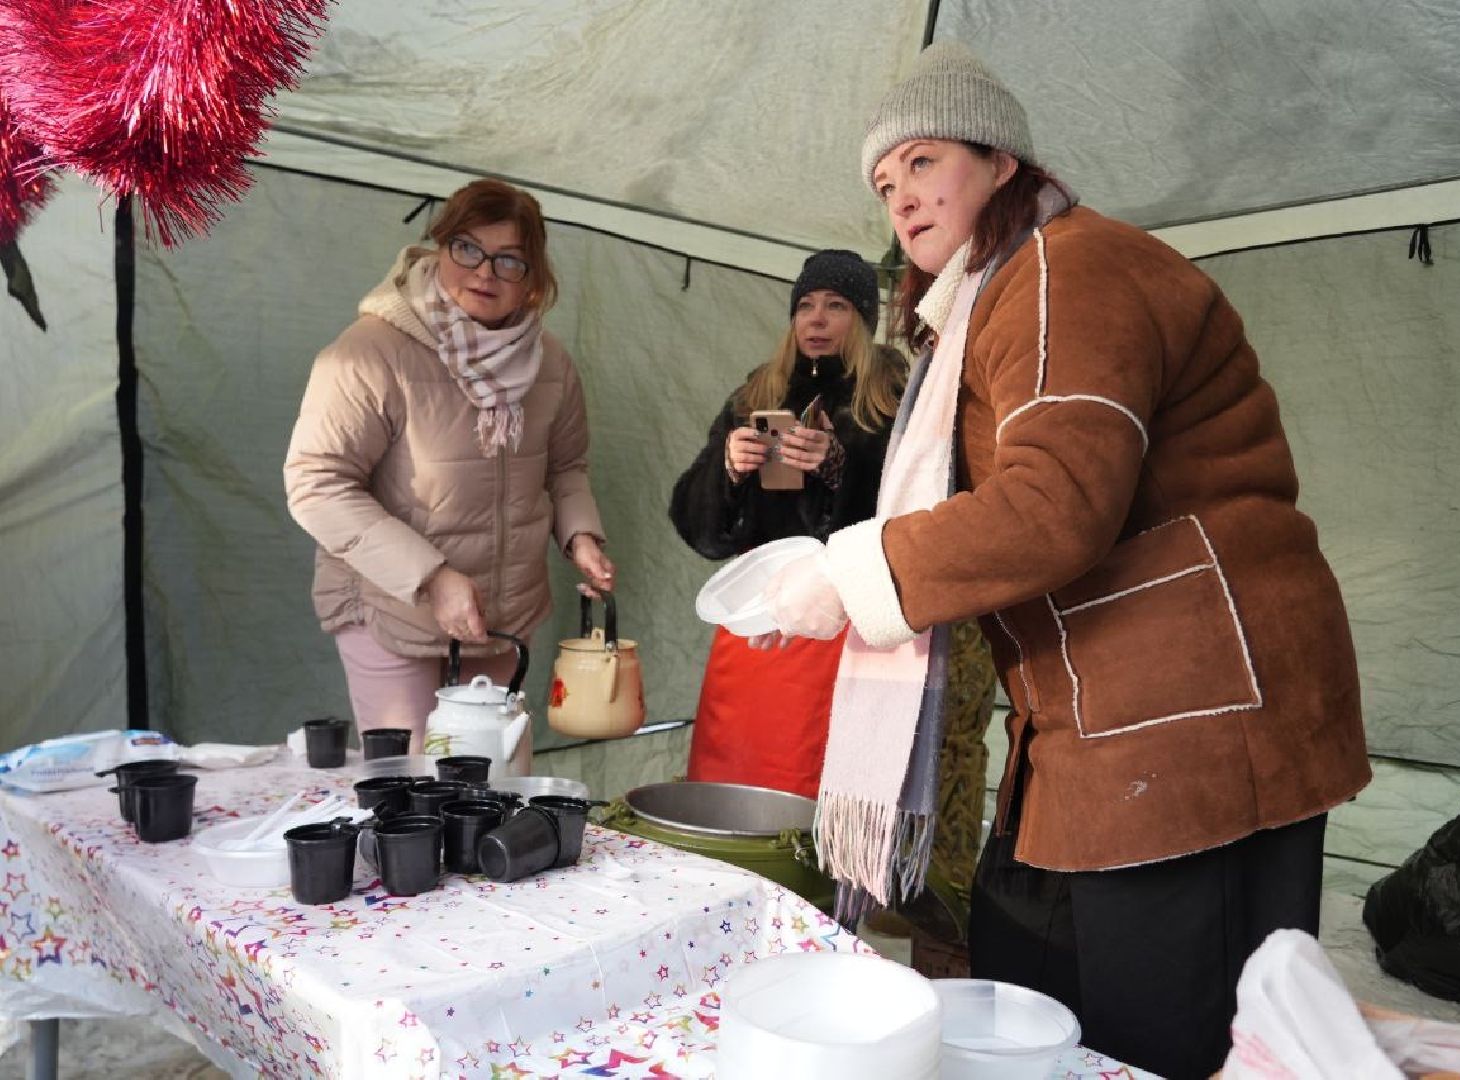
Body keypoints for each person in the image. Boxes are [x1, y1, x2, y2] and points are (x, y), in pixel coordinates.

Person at [765, 43, 1371, 1078]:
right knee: (1036, 980)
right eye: (883, 182)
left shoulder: (1063, 271)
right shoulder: (995, 297)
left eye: (921, 163)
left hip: (1191, 714)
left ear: (1000, 162)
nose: (900, 198)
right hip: (1102, 713)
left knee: (1163, 1031)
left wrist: (852, 571)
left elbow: (1056, 506)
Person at [285, 178, 613, 755]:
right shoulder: (370, 351)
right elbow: (317, 485)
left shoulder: (550, 363)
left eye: (509, 260)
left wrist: (580, 535)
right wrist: (432, 578)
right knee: (412, 792)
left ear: (533, 277)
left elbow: (566, 469)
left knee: (491, 784)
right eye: (468, 248)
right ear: (440, 247)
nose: (484, 272)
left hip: (501, 615)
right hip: (393, 610)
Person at [669, 249, 907, 798]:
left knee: (805, 778)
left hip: (838, 627)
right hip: (752, 622)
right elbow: (697, 526)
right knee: (731, 772)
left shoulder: (890, 400)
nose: (816, 319)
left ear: (864, 320)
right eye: (805, 305)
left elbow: (909, 516)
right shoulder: (759, 394)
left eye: (836, 305)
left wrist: (837, 466)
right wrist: (727, 469)